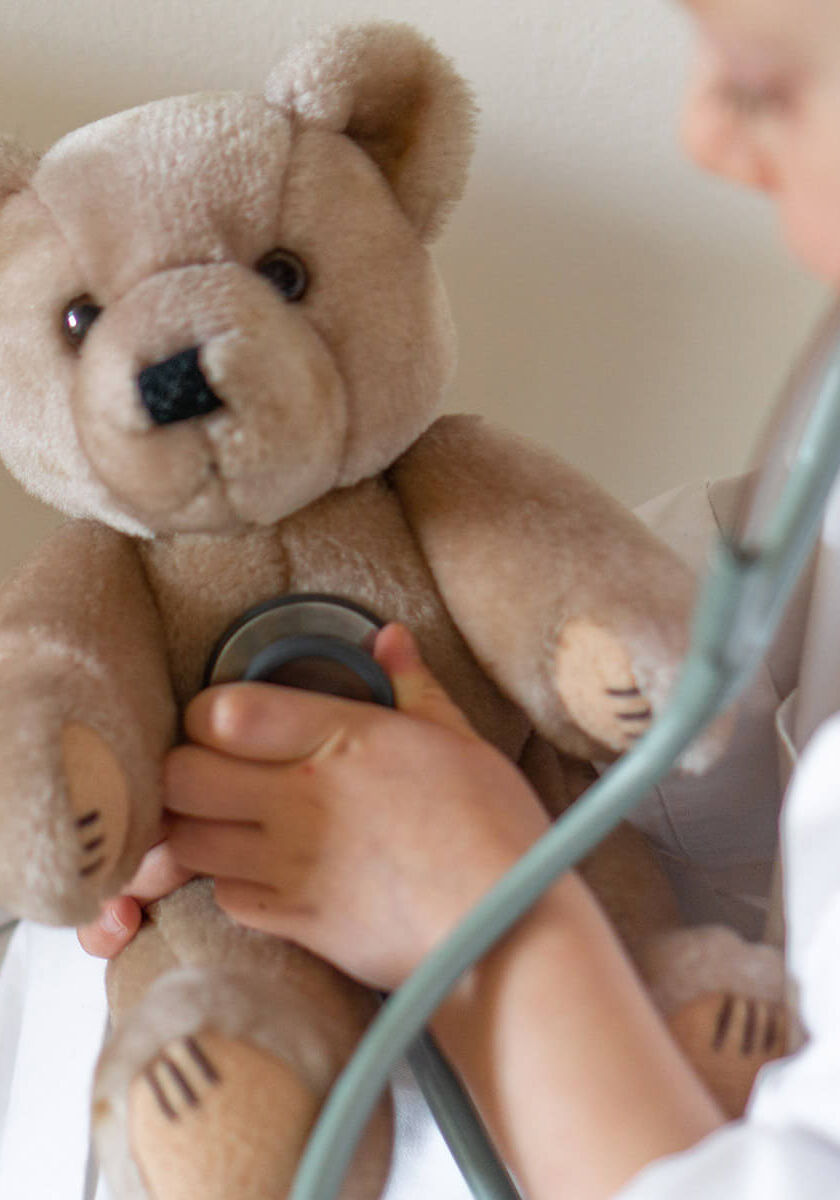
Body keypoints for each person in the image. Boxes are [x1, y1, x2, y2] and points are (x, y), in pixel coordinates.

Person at [10, 0, 840, 1194]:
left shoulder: (457, 483)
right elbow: (744, 645)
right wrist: (111, 784)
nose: (703, 132)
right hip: (209, 932)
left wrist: (477, 907)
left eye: (765, 79)